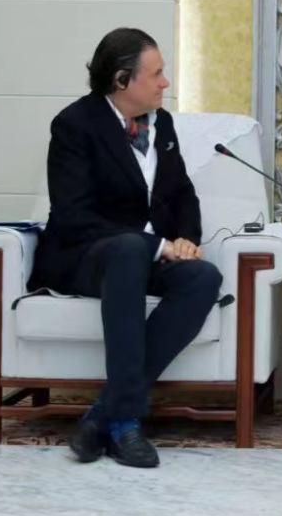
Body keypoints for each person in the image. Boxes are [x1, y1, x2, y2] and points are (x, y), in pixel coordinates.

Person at [30, 28, 221, 468]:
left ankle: (104, 414)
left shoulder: (162, 124)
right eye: (156, 74)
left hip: (142, 256)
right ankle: (126, 423)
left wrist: (186, 239)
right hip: (85, 257)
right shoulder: (74, 125)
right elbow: (74, 216)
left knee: (202, 277)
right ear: (121, 80)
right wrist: (157, 245)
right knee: (130, 250)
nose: (165, 83)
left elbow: (181, 193)